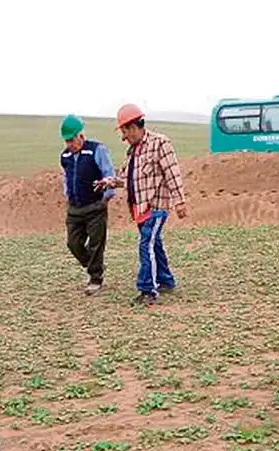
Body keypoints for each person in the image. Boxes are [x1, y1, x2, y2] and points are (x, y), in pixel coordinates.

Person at [96, 104, 188, 305]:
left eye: (124, 131)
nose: (123, 137)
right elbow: (128, 179)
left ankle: (148, 289)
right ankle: (166, 280)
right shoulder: (133, 152)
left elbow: (172, 173)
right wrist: (110, 182)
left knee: (146, 244)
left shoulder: (160, 144)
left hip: (155, 206)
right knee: (154, 243)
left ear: (133, 126)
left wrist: (179, 201)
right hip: (139, 208)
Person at [59, 114, 117, 295]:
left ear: (80, 135)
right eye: (66, 141)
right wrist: (67, 195)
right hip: (75, 207)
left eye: (71, 140)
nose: (69, 144)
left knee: (96, 244)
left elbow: (108, 173)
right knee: (73, 243)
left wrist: (105, 198)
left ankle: (95, 278)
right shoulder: (65, 155)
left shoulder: (96, 150)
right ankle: (91, 263)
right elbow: (66, 178)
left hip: (95, 206)